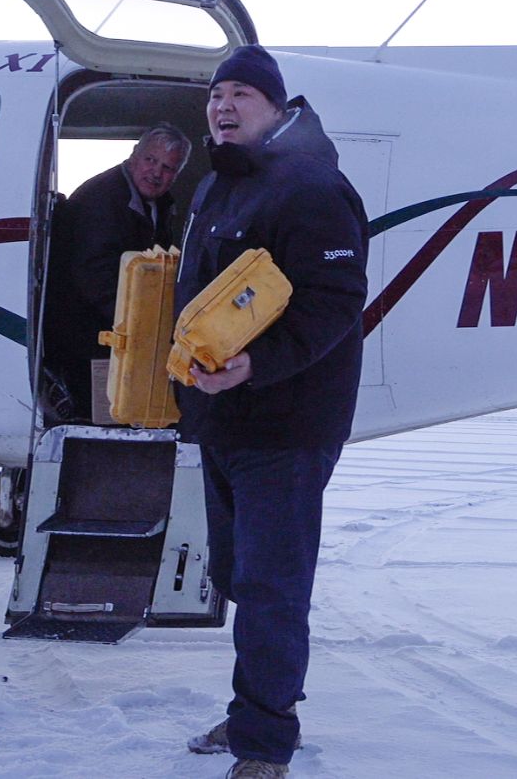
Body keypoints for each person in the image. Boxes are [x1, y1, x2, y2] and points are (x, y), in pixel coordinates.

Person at [178, 45, 368, 778]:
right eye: (216, 94)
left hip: (286, 427)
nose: (223, 106)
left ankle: (264, 743)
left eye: (241, 96)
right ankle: (250, 709)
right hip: (222, 418)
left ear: (278, 107)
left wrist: (253, 366)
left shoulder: (313, 189)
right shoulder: (219, 186)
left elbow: (333, 307)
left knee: (271, 587)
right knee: (235, 575)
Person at [45, 124, 191, 410]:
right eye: (150, 160)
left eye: (168, 168)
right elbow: (95, 275)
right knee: (101, 411)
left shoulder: (157, 203)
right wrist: (139, 326)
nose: (156, 173)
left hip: (113, 330)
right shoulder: (102, 200)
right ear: (134, 155)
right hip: (86, 331)